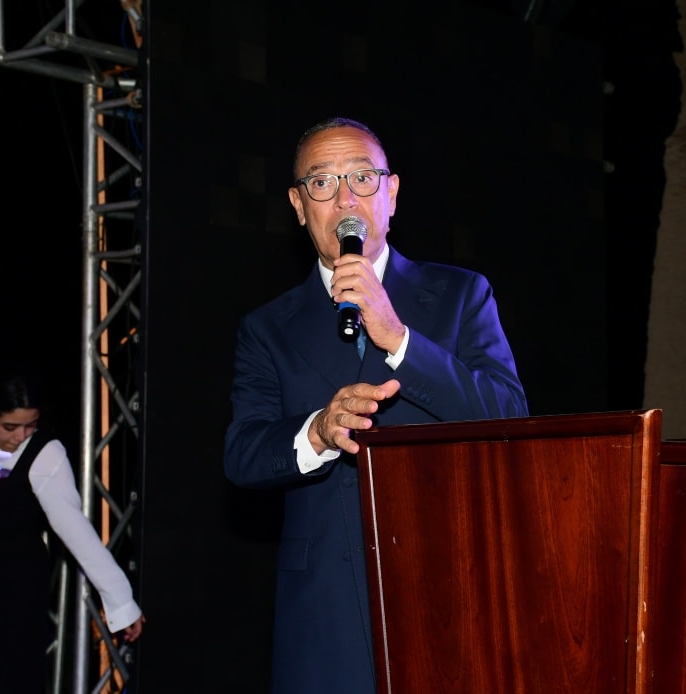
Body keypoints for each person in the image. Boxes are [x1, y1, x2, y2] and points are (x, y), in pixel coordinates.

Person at [224, 116, 529, 693]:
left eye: (362, 178)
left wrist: (400, 341)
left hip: (449, 591)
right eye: (322, 182)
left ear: (392, 193)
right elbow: (243, 455)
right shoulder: (268, 328)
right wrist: (317, 431)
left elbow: (510, 418)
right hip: (326, 606)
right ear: (298, 206)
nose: (345, 199)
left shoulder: (461, 294)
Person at [0, 361, 147, 694]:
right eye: (10, 427)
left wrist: (121, 601)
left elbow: (77, 531)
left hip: (10, 604)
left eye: (30, 425)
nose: (20, 436)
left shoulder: (44, 452)